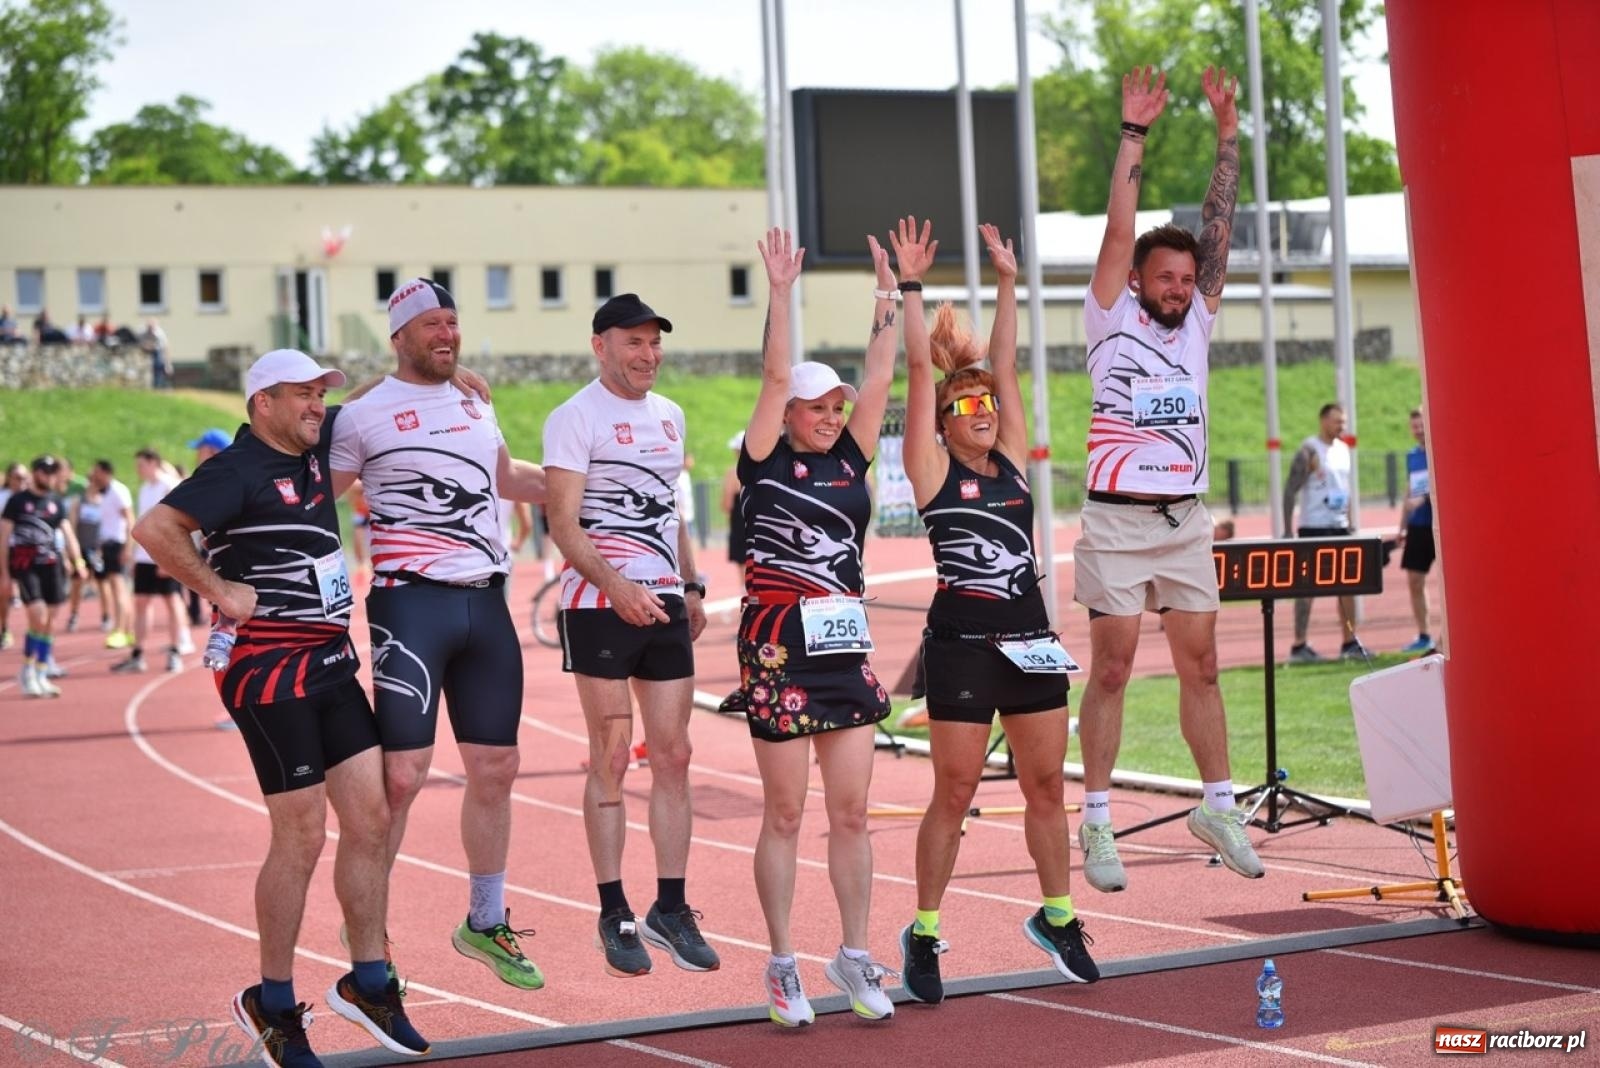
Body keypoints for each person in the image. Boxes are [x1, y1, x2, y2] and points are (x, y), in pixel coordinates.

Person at [133, 349, 428, 1066]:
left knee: (372, 816)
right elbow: (155, 530)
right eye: (301, 395)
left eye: (319, 396)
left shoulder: (309, 445)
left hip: (330, 661)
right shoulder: (234, 470)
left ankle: (366, 982)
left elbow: (364, 392)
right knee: (301, 834)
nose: (316, 407)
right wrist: (219, 590)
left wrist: (449, 378)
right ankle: (271, 1003)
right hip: (267, 671)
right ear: (261, 402)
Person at [890, 219, 1099, 1004]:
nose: (982, 406)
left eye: (985, 400)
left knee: (1047, 785)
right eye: (965, 402)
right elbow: (919, 365)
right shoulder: (933, 473)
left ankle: (1057, 915)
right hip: (963, 646)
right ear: (944, 422)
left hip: (1030, 640)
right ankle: (925, 929)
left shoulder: (1011, 459)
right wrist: (911, 288)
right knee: (955, 791)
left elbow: (1006, 365)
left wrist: (1009, 282)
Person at [1072, 65, 1264, 893]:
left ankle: (1216, 805)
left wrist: (1228, 135)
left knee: (1204, 668)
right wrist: (1134, 133)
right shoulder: (1110, 316)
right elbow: (1120, 233)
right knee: (1112, 669)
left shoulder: (1197, 326)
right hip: (1117, 523)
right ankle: (1099, 822)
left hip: (1184, 522)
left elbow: (1219, 231)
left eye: (1188, 281)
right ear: (1140, 284)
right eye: (1167, 279)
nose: (1180, 290)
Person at [329, 277, 548, 990]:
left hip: (486, 606)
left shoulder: (474, 398)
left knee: (497, 768)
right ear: (399, 337)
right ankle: (369, 928)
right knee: (400, 777)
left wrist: (587, 481)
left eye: (453, 321)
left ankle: (485, 923)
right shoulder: (363, 416)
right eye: (430, 325)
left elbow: (508, 477)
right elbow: (317, 493)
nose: (446, 333)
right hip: (410, 607)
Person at [726, 228, 899, 1027]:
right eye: (817, 406)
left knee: (853, 812)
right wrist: (783, 290)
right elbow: (769, 371)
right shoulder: (762, 458)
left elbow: (882, 375)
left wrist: (889, 297)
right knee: (787, 813)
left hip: (842, 649)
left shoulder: (852, 457)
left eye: (837, 406)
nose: (833, 415)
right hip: (775, 652)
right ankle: (784, 962)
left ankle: (855, 953)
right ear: (786, 411)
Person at [541, 292, 717, 981]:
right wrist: (616, 584)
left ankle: (669, 907)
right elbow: (563, 522)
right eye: (634, 343)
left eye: (655, 344)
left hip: (666, 602)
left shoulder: (669, 416)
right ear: (601, 346)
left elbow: (673, 508)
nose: (648, 355)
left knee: (674, 754)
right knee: (612, 755)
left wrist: (693, 583)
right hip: (597, 604)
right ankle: (613, 910)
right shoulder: (574, 417)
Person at [1283, 402, 1368, 662]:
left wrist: (1351, 521)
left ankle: (1349, 641)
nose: (1341, 426)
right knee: (1306, 588)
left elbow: (1346, 489)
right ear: (1322, 421)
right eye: (1336, 421)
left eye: (1343, 421)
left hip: (1339, 525)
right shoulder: (1309, 450)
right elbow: (1290, 490)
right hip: (1314, 526)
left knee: (1348, 585)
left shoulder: (1344, 450)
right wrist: (1287, 530)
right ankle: (1299, 645)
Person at [2, 456, 87, 698]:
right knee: (37, 615)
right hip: (26, 564)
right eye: (44, 472)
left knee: (49, 621)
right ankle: (27, 670)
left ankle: (40, 670)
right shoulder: (17, 502)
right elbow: (4, 537)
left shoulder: (55, 502)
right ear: (35, 473)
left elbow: (68, 533)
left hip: (52, 566)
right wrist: (5, 574)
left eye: (52, 472)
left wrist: (77, 560)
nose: (49, 476)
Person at [111, 449, 191, 673]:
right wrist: (136, 554)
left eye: (141, 465)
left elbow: (179, 521)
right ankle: (137, 654)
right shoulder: (145, 488)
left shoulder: (169, 485)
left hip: (165, 554)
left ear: (153, 463)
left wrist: (170, 558)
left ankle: (176, 651)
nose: (138, 470)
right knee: (141, 602)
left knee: (172, 599)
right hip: (145, 555)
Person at [1397, 407, 1436, 653]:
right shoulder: (1412, 456)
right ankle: (1424, 634)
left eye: (1421, 424)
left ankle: (1450, 637)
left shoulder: (1440, 451)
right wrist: (1402, 524)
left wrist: (1424, 501)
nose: (1418, 430)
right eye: (1414, 426)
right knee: (1414, 580)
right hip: (1418, 526)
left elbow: (1442, 483)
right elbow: (1409, 489)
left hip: (1439, 527)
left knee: (1449, 584)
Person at [89, 460, 136, 649]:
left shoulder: (118, 491)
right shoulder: (104, 492)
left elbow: (129, 518)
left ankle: (120, 629)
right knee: (118, 588)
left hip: (118, 545)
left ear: (105, 472)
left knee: (119, 588)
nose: (92, 475)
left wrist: (127, 548)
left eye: (96, 472)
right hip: (108, 545)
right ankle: (127, 630)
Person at [1, 462, 29, 650]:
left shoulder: (30, 498)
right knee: (4, 591)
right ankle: (4, 628)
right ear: (9, 478)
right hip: (6, 549)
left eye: (25, 478)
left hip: (27, 551)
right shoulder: (2, 498)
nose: (22, 482)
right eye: (18, 478)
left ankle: (37, 634)